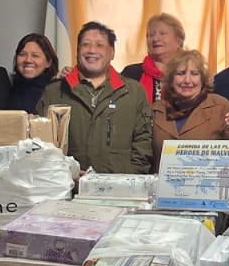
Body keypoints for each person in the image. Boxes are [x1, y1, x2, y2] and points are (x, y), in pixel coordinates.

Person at [35, 21, 151, 173]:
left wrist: (129, 178)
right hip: (67, 184)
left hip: (119, 185)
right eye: (86, 44)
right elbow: (40, 144)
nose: (92, 50)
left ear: (112, 52)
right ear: (77, 51)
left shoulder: (134, 92)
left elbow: (143, 142)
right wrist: (65, 175)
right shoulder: (54, 92)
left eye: (99, 45)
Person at [149, 50, 229, 166]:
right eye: (180, 74)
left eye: (194, 74)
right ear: (171, 79)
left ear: (202, 78)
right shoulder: (155, 110)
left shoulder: (220, 107)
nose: (187, 80)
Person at [120, 12, 187, 103]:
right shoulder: (131, 74)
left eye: (162, 34)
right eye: (151, 35)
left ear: (179, 40)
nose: (155, 39)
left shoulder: (190, 74)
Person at [8, 33, 58, 114]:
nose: (28, 60)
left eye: (35, 56)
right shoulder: (7, 86)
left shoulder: (57, 91)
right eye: (22, 55)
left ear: (48, 62)